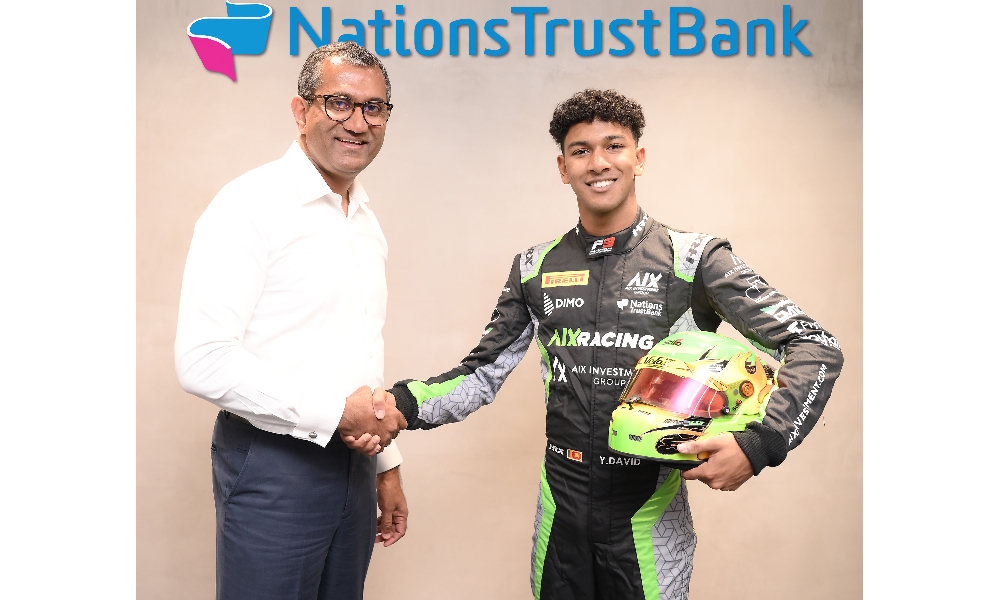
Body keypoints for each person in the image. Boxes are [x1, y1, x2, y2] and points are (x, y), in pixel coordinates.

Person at [387, 90, 844, 600]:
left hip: (649, 516)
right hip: (560, 511)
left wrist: (758, 445)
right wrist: (396, 406)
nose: (598, 163)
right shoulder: (535, 267)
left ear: (638, 158)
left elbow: (815, 346)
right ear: (563, 168)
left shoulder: (693, 259)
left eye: (614, 146)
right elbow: (481, 373)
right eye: (580, 151)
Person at [174, 42, 409, 600]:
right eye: (339, 103)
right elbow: (201, 360)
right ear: (301, 111)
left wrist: (386, 466)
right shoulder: (248, 206)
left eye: (373, 107)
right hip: (272, 465)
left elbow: (360, 352)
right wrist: (338, 413)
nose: (358, 122)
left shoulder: (365, 222)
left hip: (355, 465)